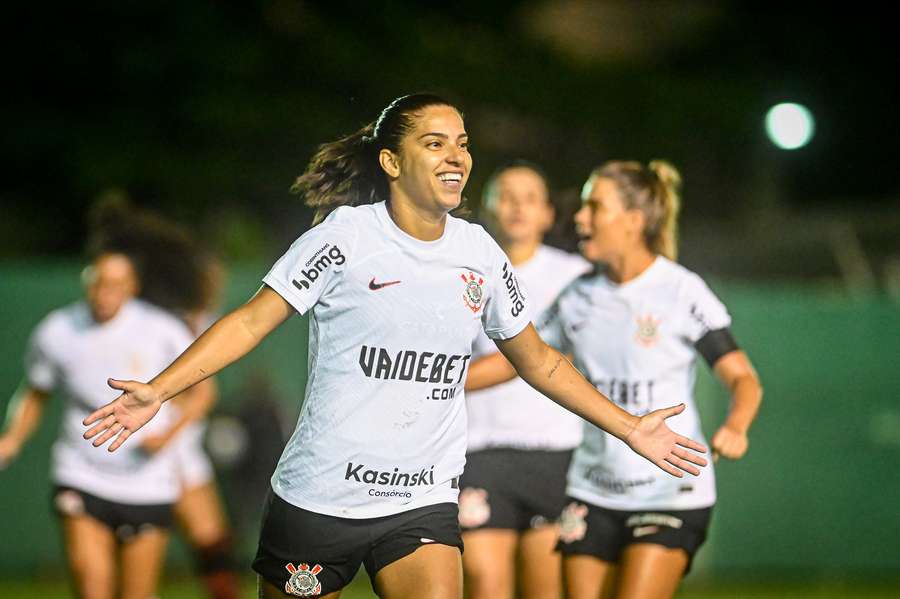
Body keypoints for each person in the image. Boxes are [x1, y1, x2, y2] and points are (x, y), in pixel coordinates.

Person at [81, 94, 709, 599]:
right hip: (320, 499)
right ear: (390, 161)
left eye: (462, 142)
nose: (455, 155)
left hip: (422, 501)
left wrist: (630, 428)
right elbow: (250, 321)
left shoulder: (478, 253)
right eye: (434, 143)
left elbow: (540, 361)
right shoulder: (347, 237)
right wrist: (159, 390)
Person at [535, 160, 761, 598]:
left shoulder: (680, 290)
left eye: (594, 207)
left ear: (634, 221)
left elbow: (743, 377)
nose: (580, 218)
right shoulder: (576, 297)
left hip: (669, 491)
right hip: (592, 488)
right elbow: (523, 359)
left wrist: (737, 425)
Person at [0, 250, 204, 599]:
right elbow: (35, 393)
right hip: (81, 473)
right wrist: (11, 439)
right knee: (92, 588)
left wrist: (168, 435)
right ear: (87, 283)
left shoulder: (162, 330)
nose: (105, 292)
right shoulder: (58, 330)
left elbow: (201, 393)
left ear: (132, 287)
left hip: (148, 479)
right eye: (98, 282)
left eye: (115, 284)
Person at [90, 198, 241, 599]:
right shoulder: (161, 325)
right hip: (147, 444)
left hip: (173, 442)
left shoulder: (188, 320)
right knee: (146, 565)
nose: (215, 275)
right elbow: (197, 393)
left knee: (212, 544)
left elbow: (201, 395)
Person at [459, 161, 590, 599]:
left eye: (530, 198)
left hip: (553, 450)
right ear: (486, 208)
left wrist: (439, 381)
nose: (518, 207)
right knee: (483, 579)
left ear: (549, 214)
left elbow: (546, 358)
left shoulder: (575, 277)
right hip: (480, 447)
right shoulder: (461, 268)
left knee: (545, 586)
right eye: (506, 196)